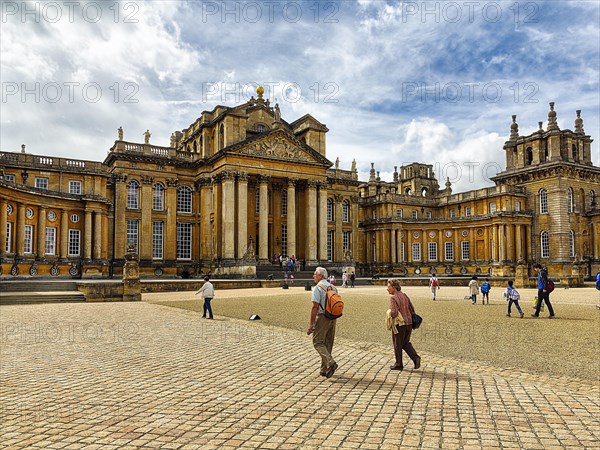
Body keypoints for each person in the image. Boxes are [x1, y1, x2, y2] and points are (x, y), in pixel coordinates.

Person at [307, 267, 338, 378]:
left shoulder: (317, 288)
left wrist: (311, 324)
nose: (313, 276)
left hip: (322, 317)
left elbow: (315, 307)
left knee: (318, 342)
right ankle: (324, 369)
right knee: (328, 342)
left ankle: (331, 363)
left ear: (320, 276)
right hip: (333, 317)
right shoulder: (333, 287)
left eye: (315, 274)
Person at [386, 279, 421, 371]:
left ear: (394, 288)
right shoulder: (404, 295)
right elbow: (412, 308)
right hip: (409, 322)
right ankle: (415, 358)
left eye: (388, 287)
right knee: (405, 343)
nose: (387, 289)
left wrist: (389, 312)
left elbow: (394, 313)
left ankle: (399, 364)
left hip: (400, 324)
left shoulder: (393, 298)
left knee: (397, 344)